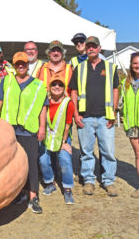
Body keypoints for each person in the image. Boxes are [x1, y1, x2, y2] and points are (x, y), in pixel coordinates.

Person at [0, 52, 48, 214]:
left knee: (31, 164)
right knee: (12, 164)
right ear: (14, 65)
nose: (21, 66)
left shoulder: (38, 84)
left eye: (23, 63)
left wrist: (42, 127)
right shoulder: (7, 80)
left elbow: (43, 107)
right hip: (9, 130)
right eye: (17, 63)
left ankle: (33, 197)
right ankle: (18, 194)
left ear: (28, 64)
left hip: (29, 131)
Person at [69, 36, 119, 197]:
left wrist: (114, 111)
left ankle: (109, 181)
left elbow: (115, 90)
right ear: (86, 49)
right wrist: (76, 114)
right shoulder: (80, 68)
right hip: (85, 117)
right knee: (86, 152)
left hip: (106, 118)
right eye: (88, 46)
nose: (91, 48)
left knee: (108, 152)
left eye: (94, 46)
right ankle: (89, 180)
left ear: (99, 48)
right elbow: (74, 92)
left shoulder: (110, 68)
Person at [39, 74, 75, 204]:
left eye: (60, 84)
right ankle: (50, 183)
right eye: (54, 84)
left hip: (62, 138)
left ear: (64, 87)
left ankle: (67, 189)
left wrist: (64, 143)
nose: (57, 87)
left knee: (65, 160)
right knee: (43, 160)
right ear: (49, 87)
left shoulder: (68, 103)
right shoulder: (44, 102)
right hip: (47, 137)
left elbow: (67, 126)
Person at [121, 52, 139, 198]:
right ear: (131, 65)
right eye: (135, 63)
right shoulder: (125, 84)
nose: (137, 65)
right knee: (138, 155)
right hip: (132, 125)